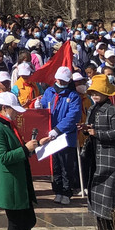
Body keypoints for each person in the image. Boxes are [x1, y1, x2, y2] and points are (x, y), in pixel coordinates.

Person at [0, 91, 52, 230]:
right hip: (9, 182)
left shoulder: (7, 124)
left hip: (19, 179)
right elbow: (3, 157)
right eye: (14, 109)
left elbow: (19, 149)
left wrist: (37, 145)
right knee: (17, 224)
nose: (17, 113)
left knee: (28, 220)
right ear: (4, 108)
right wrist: (25, 149)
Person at [83, 74, 115, 230]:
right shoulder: (91, 109)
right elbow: (91, 129)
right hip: (95, 155)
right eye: (93, 93)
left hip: (109, 157)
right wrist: (86, 130)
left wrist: (97, 133)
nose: (94, 96)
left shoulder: (113, 111)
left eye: (98, 93)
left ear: (106, 93)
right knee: (95, 194)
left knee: (109, 196)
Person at [39, 66, 82, 205]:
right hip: (50, 135)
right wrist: (38, 106)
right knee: (55, 165)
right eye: (59, 79)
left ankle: (66, 191)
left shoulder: (73, 96)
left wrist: (58, 130)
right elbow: (44, 107)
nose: (61, 82)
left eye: (64, 80)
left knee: (67, 166)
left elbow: (73, 116)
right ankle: (57, 190)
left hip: (66, 136)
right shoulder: (49, 92)